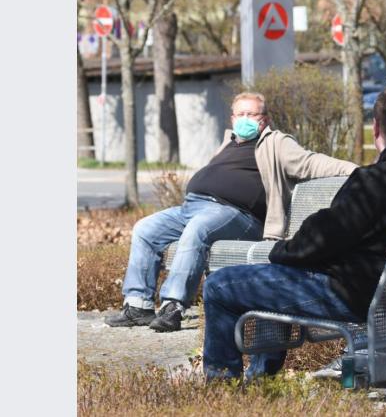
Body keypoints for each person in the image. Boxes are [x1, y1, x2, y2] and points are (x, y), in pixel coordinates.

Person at [201, 84, 386, 381]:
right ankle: (260, 377)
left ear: (375, 128)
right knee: (278, 271)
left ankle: (223, 385)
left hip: (350, 293)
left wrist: (281, 250)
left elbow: (322, 239)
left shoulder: (376, 181)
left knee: (219, 286)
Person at [105, 92, 357, 332]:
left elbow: (311, 163)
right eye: (241, 114)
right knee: (145, 229)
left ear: (265, 119)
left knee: (198, 229)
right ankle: (138, 305)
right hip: (192, 206)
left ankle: (173, 306)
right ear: (233, 119)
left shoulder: (276, 143)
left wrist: (358, 170)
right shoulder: (228, 141)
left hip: (237, 214)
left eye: (253, 114)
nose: (246, 119)